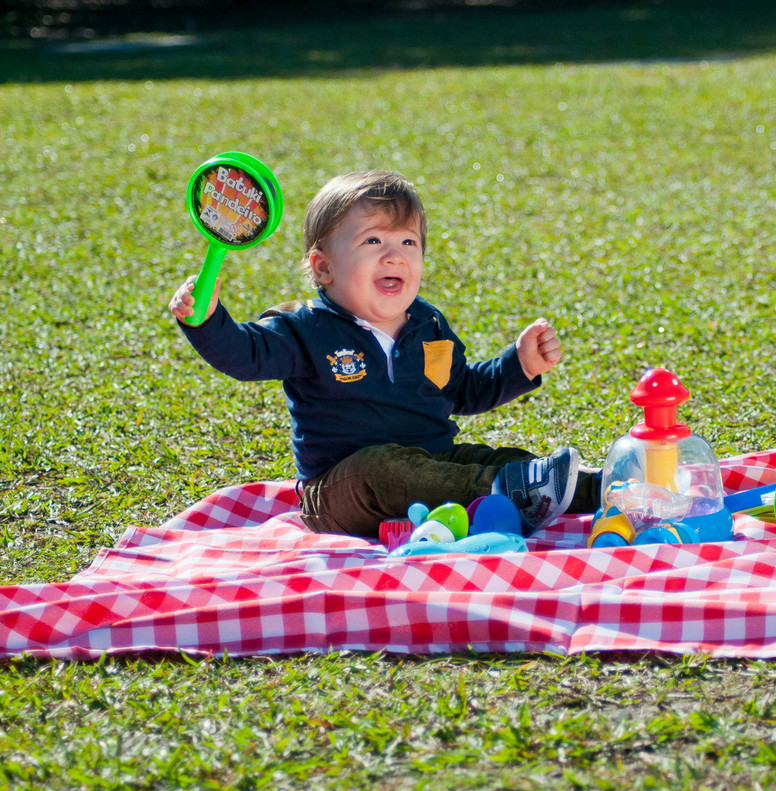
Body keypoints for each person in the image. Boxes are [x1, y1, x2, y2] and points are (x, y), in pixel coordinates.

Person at [169, 170, 599, 537]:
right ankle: (510, 492)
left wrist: (519, 365)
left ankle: (601, 488)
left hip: (436, 464)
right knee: (384, 468)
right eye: (373, 241)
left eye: (409, 243)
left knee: (494, 458)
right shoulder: (304, 328)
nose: (395, 255)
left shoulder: (428, 325)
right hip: (342, 490)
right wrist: (207, 322)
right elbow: (245, 355)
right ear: (324, 268)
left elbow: (464, 389)